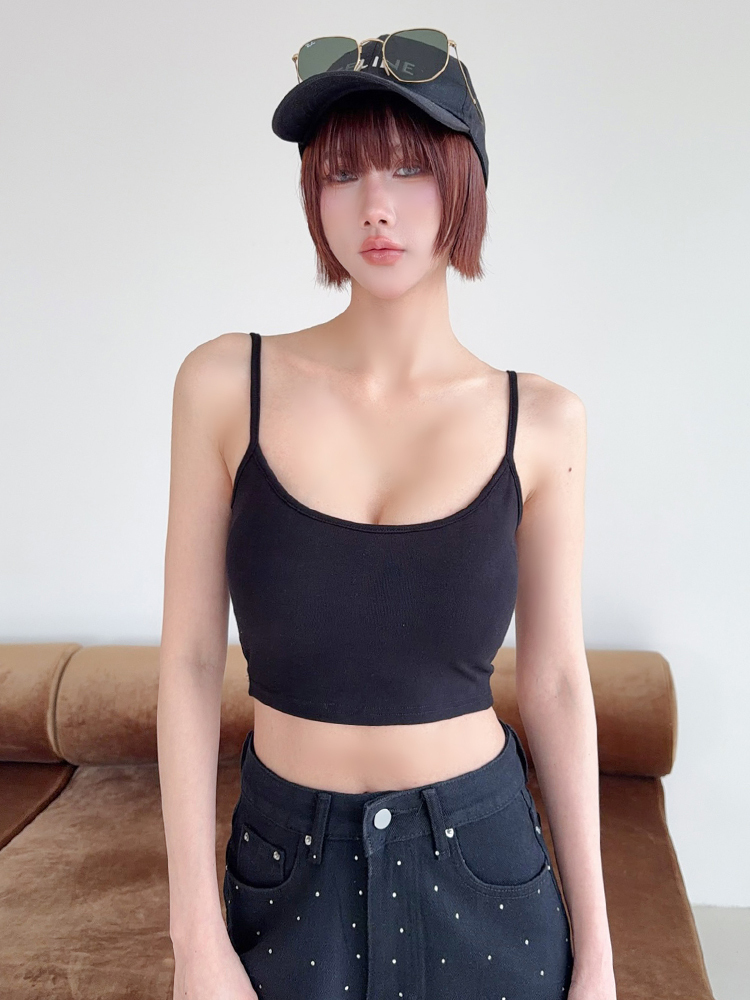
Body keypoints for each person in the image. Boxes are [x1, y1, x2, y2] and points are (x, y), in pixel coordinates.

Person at [158, 30, 617, 1000]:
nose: (375, 204)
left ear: (465, 182)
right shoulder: (224, 384)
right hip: (285, 867)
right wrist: (195, 937)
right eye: (342, 172)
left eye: (409, 167)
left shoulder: (543, 422)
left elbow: (556, 684)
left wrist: (601, 959)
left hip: (485, 871)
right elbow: (193, 663)